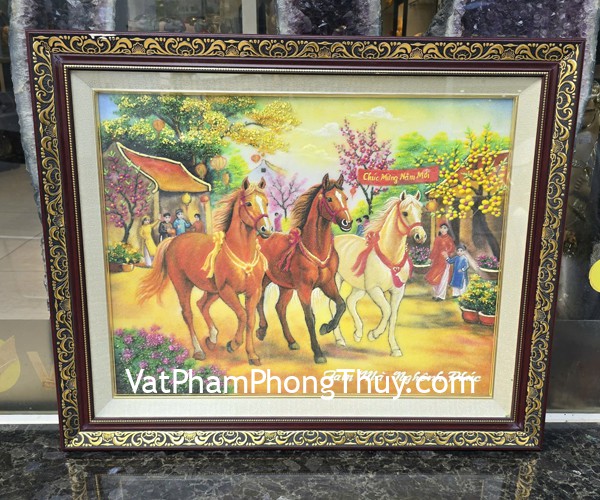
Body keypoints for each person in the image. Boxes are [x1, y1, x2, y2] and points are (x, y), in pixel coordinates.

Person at [425, 223, 456, 301]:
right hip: (437, 260)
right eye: (441, 228)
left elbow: (452, 248)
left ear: (447, 229)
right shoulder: (438, 239)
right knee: (434, 277)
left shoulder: (449, 239)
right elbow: (434, 249)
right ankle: (436, 294)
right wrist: (430, 258)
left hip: (445, 261)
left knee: (443, 279)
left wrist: (447, 252)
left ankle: (441, 296)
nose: (443, 230)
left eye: (445, 228)